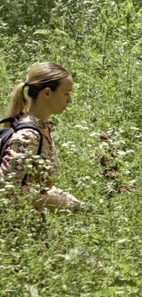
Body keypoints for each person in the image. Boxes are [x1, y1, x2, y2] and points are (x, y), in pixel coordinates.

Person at [1, 62, 86, 213]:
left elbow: (34, 186)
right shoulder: (28, 137)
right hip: (17, 230)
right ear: (47, 93)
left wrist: (74, 204)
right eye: (66, 93)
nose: (70, 100)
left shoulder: (41, 129)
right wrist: (54, 202)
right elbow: (6, 192)